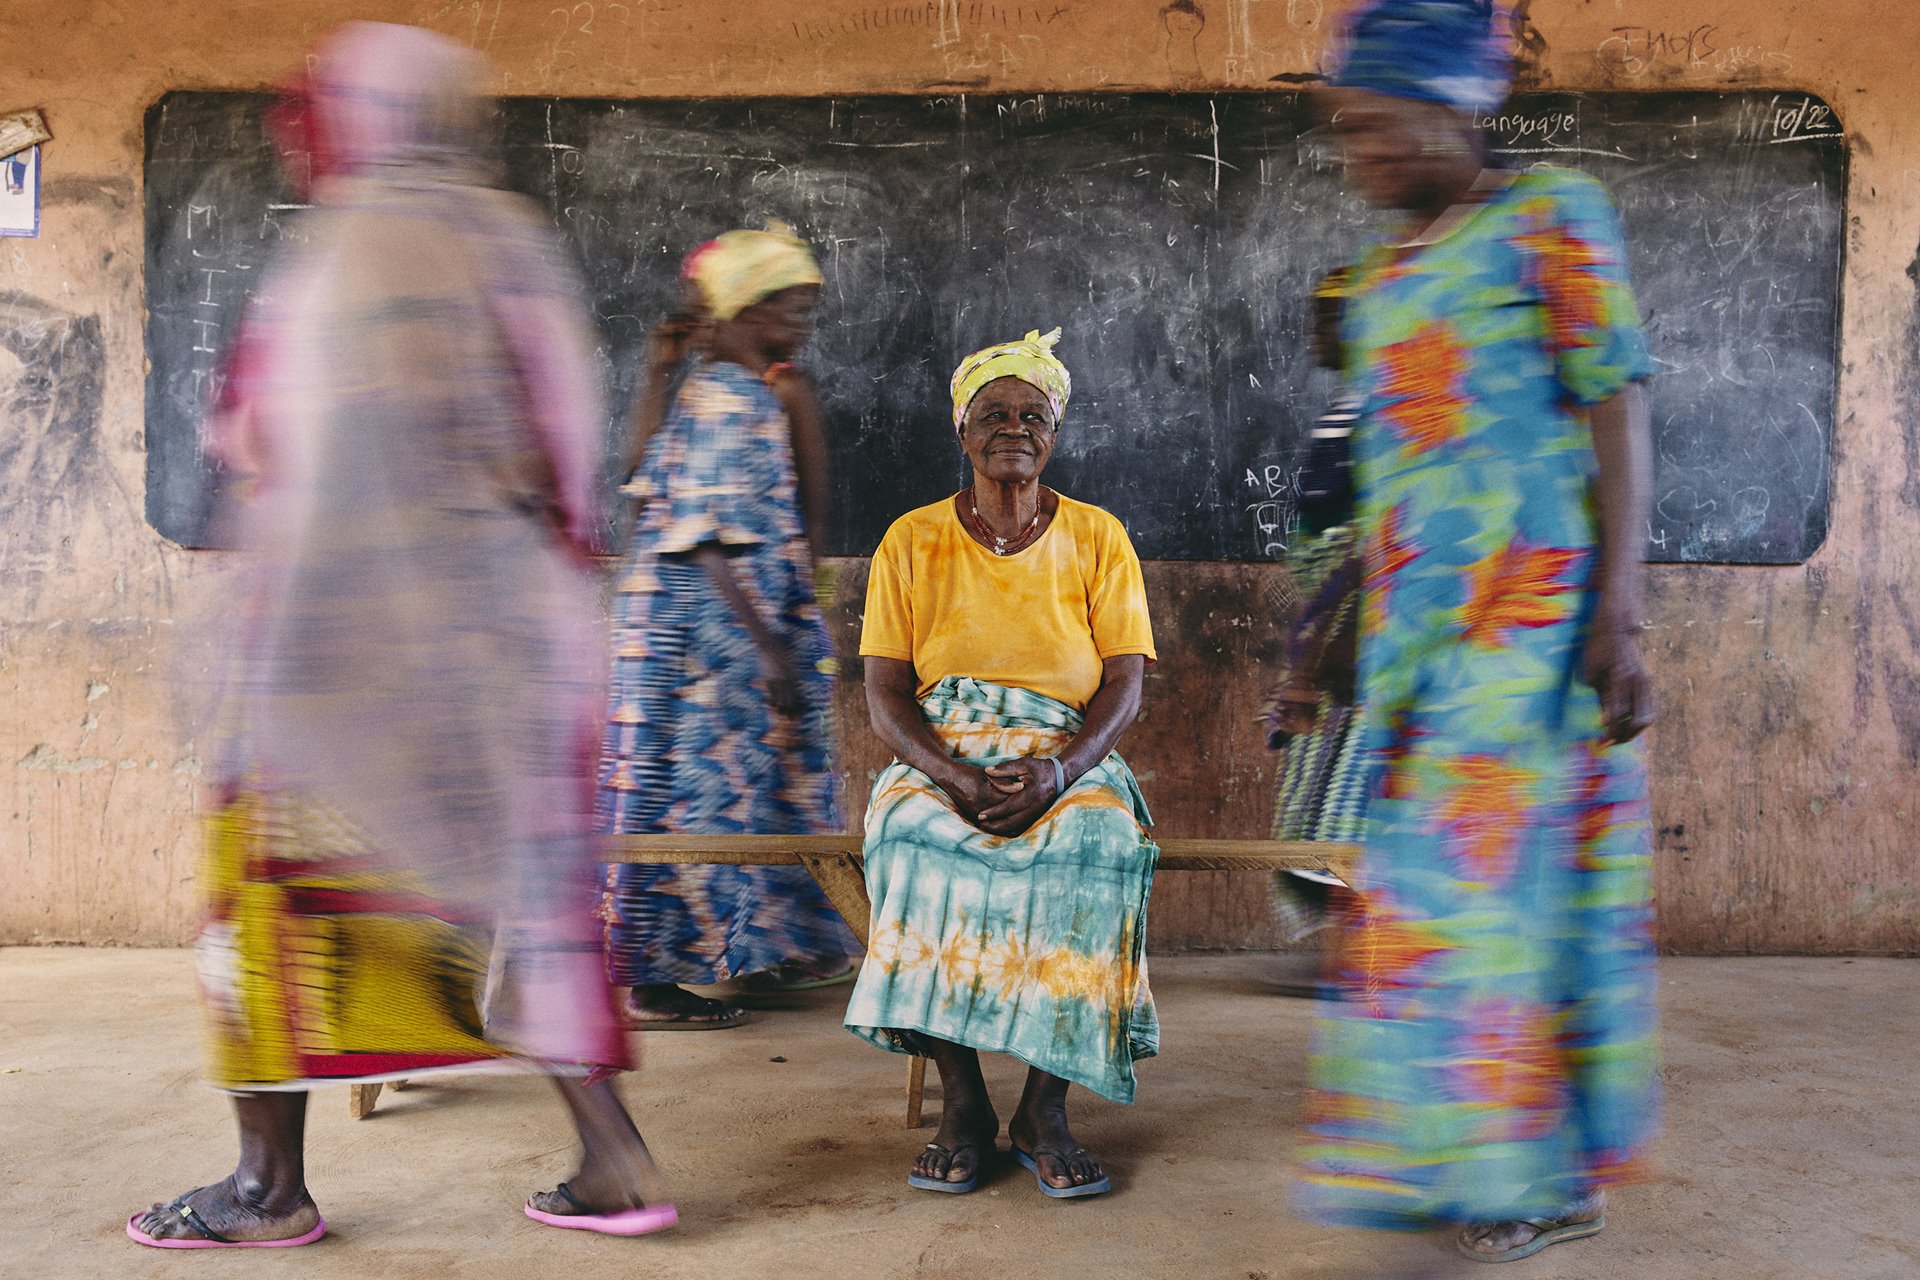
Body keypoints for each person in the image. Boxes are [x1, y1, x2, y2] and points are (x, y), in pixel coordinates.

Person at [131, 24, 671, 1249]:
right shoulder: (507, 240)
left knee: (266, 896)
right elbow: (570, 458)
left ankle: (268, 1187)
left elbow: (278, 449)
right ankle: (613, 1156)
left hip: (348, 653)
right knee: (526, 895)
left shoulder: (346, 255)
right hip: (517, 654)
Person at [1295, 0, 1662, 1264]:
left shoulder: (1553, 217)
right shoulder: (1389, 275)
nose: (1358, 156)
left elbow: (1615, 408)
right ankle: (1500, 1165)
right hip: (1421, 648)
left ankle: (1504, 1170)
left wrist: (1619, 611)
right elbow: (1402, 479)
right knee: (1461, 901)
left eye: (1373, 125)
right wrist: (1350, 632)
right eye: (1343, 134)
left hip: (1533, 628)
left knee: (1473, 903)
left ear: (1453, 105)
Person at [845, 328, 1158, 1200]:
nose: (1013, 427)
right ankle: (964, 1106)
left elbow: (1124, 685)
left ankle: (1045, 1110)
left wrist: (1061, 773)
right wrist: (950, 774)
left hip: (1065, 748)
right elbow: (886, 695)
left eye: (1033, 415)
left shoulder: (1099, 537)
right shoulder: (910, 540)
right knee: (908, 837)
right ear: (963, 430)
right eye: (993, 413)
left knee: (1102, 845)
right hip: (945, 748)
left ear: (1053, 436)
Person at [597, 225, 857, 1029]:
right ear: (747, 305)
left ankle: (752, 952)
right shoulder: (733, 396)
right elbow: (703, 534)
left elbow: (642, 481)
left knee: (733, 790)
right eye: (788, 303)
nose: (802, 319)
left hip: (707, 633)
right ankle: (651, 978)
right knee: (692, 797)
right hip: (706, 641)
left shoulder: (721, 388)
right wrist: (772, 647)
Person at [1260, 269, 1365, 996]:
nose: (1317, 333)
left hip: (1361, 630)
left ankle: (1366, 955)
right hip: (1335, 622)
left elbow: (1370, 544)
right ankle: (1350, 951)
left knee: (1355, 796)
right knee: (1327, 789)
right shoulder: (1351, 408)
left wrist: (1317, 644)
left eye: (1332, 318)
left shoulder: (1389, 413)